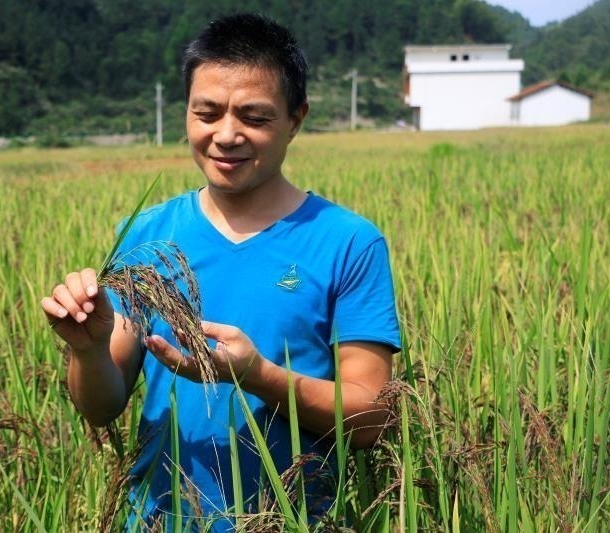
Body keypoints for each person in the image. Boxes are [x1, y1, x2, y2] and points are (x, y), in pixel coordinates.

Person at [41, 13, 400, 530]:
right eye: (206, 112)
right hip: (160, 519)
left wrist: (258, 378)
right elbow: (101, 408)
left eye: (254, 117)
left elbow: (372, 419)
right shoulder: (145, 236)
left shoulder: (347, 242)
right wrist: (88, 348)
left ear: (296, 119)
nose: (226, 135)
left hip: (295, 519)